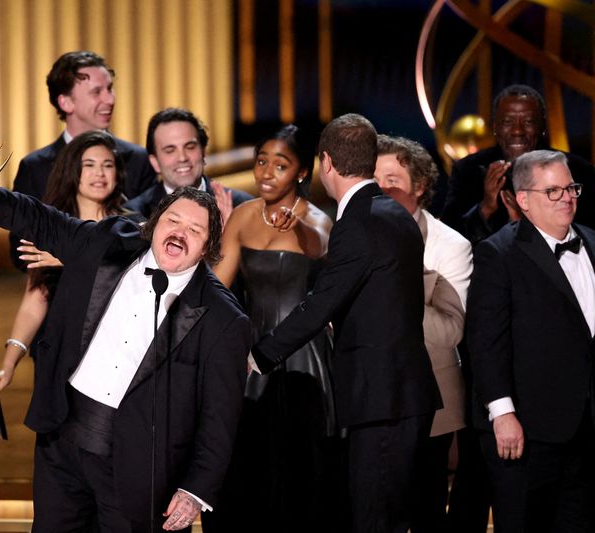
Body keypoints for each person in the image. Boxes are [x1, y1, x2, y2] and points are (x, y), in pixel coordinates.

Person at [0, 178, 251, 532]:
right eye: (172, 221)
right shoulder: (109, 241)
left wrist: (195, 490)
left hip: (140, 464)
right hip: (62, 439)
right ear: (154, 223)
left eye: (195, 230)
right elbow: (43, 220)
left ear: (208, 247)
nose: (179, 233)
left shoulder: (223, 319)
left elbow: (220, 418)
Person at [250, 114, 441, 533]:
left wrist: (259, 355)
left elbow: (321, 304)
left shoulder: (358, 222)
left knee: (374, 518)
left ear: (326, 164)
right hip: (399, 394)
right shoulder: (392, 212)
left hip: (383, 397)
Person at [204, 124, 340, 532]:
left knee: (300, 462)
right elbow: (217, 288)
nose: (266, 172)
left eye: (280, 165)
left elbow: (318, 246)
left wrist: (295, 226)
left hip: (305, 357)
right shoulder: (244, 216)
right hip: (251, 352)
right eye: (261, 162)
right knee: (249, 461)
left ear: (301, 172)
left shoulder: (318, 220)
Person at [467, 149, 595, 532]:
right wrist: (502, 413)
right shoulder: (498, 254)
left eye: (571, 187)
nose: (568, 198)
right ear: (523, 200)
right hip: (528, 428)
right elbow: (486, 340)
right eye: (553, 191)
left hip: (587, 428)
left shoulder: (592, 241)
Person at [374, 135, 472, 532]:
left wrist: (395, 283)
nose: (379, 189)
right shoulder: (349, 235)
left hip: (430, 401)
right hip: (370, 399)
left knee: (426, 508)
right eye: (373, 179)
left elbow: (448, 334)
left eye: (392, 179)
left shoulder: (452, 245)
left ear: (420, 186)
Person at [0, 130, 133, 393]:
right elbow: (35, 299)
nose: (99, 173)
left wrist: (71, 259)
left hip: (116, 357)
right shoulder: (51, 231)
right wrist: (9, 363)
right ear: (71, 171)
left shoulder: (133, 229)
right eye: (88, 165)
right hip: (59, 353)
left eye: (107, 165)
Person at [10, 50, 156, 268]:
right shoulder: (35, 167)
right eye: (97, 92)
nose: (109, 99)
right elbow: (22, 254)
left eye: (109, 89)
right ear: (66, 103)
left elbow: (149, 243)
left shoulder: (137, 160)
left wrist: (70, 254)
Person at [442, 84, 595, 245]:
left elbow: (588, 236)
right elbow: (448, 240)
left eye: (528, 122)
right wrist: (485, 209)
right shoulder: (468, 170)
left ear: (542, 127)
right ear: (495, 127)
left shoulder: (576, 170)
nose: (517, 131)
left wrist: (529, 224)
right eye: (508, 122)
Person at [124, 107, 252, 223]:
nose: (182, 158)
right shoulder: (134, 215)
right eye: (170, 150)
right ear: (155, 162)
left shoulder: (243, 206)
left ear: (203, 152)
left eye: (190, 147)